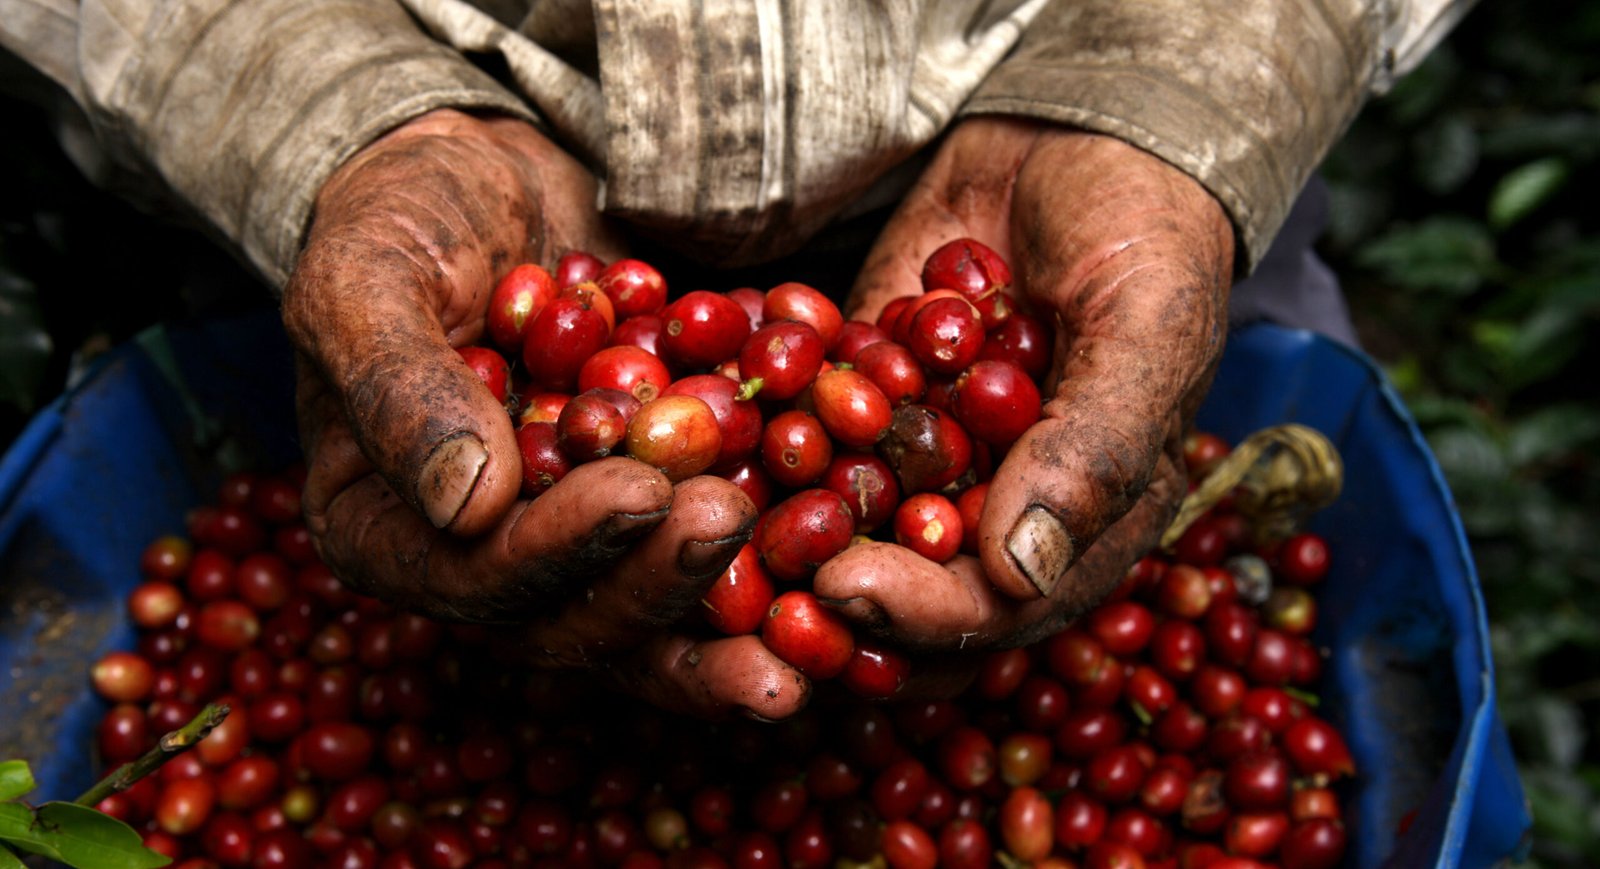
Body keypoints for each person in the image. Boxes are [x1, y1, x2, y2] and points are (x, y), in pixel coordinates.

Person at [0, 0, 1473, 720]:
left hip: (1095, 189)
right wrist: (298, 101)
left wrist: (1183, 75)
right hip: (347, 204)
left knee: (1151, 477)